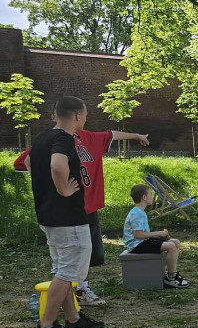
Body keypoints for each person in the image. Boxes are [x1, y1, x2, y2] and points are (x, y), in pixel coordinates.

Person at [17, 123, 150, 306]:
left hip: (84, 206)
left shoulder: (86, 138)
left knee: (80, 256)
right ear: (78, 116)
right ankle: (64, 303)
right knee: (70, 259)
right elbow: (29, 161)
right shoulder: (57, 139)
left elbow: (112, 134)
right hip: (69, 207)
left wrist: (136, 135)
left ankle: (75, 298)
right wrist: (52, 189)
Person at [27, 96, 105, 328]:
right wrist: (62, 190)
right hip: (68, 217)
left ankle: (73, 319)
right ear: (77, 116)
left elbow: (28, 161)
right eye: (85, 115)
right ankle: (46, 327)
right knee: (67, 273)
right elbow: (58, 166)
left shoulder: (42, 137)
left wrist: (47, 189)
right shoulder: (64, 138)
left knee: (63, 269)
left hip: (49, 215)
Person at [123, 184, 190, 288]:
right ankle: (171, 278)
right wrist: (158, 233)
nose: (152, 197)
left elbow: (142, 234)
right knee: (171, 246)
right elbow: (138, 235)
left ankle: (173, 274)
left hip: (142, 243)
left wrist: (158, 237)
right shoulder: (137, 214)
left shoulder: (140, 212)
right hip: (136, 246)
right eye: (150, 194)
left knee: (176, 242)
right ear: (144, 197)